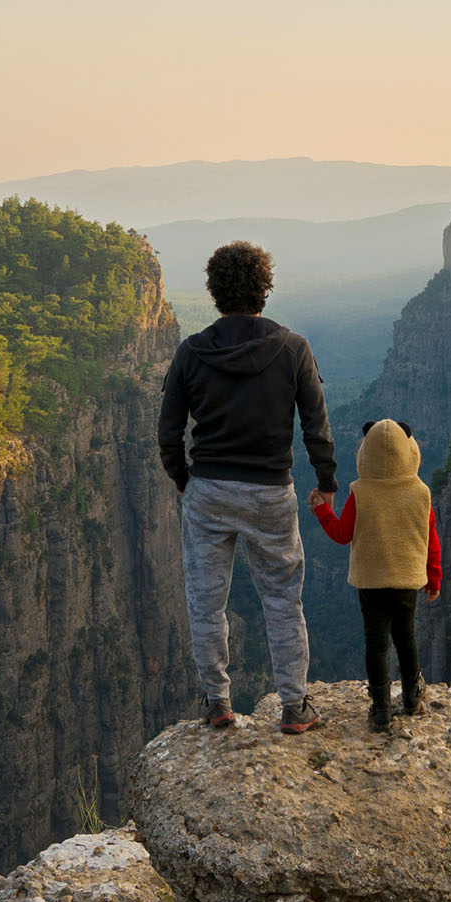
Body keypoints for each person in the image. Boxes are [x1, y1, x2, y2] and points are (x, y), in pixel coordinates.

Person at [156, 239, 336, 734]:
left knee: (206, 601)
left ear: (214, 292)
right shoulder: (293, 348)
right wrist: (327, 481)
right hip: (271, 494)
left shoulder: (190, 353)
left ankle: (217, 702)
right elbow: (316, 428)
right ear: (264, 289)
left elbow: (168, 433)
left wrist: (185, 483)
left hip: (209, 491)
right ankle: (295, 708)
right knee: (282, 600)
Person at [311, 417, 440, 733]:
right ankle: (412, 695)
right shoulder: (421, 492)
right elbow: (431, 540)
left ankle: (381, 708)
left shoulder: (361, 491)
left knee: (376, 642)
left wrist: (321, 510)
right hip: (406, 579)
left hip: (370, 580)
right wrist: (434, 579)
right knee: (405, 637)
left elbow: (342, 534)